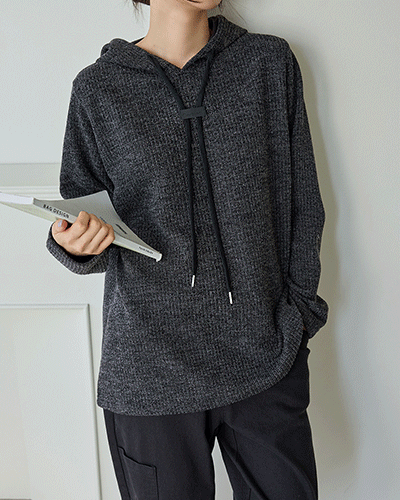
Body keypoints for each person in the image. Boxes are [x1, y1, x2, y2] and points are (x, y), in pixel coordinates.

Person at [47, 0, 329, 498]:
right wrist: (74, 244)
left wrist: (299, 315)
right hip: (149, 373)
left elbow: (302, 201)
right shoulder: (98, 89)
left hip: (265, 357)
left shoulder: (268, 63)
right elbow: (85, 219)